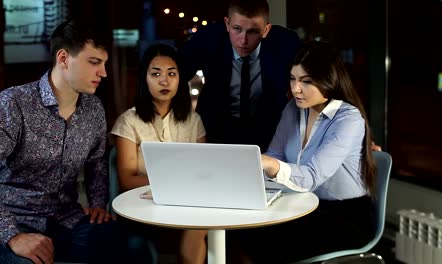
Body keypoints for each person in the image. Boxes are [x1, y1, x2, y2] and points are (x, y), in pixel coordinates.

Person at [230, 41, 378, 263]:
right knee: (240, 230)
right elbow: (276, 154)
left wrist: (270, 164)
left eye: (306, 81)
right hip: (303, 204)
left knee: (267, 242)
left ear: (329, 80)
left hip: (345, 216)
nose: (295, 88)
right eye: (293, 78)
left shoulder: (348, 118)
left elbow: (310, 176)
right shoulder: (293, 109)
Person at [0, 19, 127, 264]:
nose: (103, 73)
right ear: (63, 58)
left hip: (66, 219)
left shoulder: (93, 109)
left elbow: (97, 162)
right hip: (13, 221)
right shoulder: (13, 104)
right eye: (94, 62)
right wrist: (13, 235)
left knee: (116, 240)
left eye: (104, 63)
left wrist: (98, 204)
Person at [110, 43, 207, 264]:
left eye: (171, 73)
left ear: (179, 78)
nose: (164, 81)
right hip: (143, 208)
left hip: (185, 205)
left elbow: (203, 171)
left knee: (205, 224)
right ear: (144, 78)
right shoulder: (129, 121)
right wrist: (174, 186)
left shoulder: (194, 121)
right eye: (156, 74)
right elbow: (126, 180)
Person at [178, 0, 302, 152]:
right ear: (227, 24)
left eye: (253, 31)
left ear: (266, 29)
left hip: (269, 129)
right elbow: (177, 75)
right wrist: (182, 117)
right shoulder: (209, 38)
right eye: (237, 29)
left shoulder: (286, 43)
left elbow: (313, 76)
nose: (243, 41)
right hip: (215, 127)